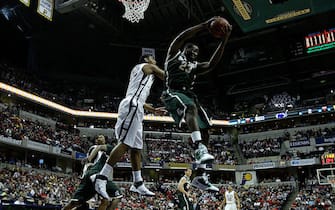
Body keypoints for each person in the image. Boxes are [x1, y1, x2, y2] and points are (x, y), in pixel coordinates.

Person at [161, 17, 232, 191]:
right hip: (172, 92)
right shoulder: (174, 55)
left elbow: (211, 64)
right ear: (185, 49)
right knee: (190, 108)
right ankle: (199, 148)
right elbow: (180, 38)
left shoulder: (194, 65)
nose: (195, 52)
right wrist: (203, 26)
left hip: (189, 94)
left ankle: (200, 176)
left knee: (206, 129)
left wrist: (224, 40)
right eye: (192, 49)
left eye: (197, 51)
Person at [91, 54, 166, 199]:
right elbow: (165, 76)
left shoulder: (143, 74)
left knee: (136, 148)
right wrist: (181, 75)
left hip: (137, 105)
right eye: (153, 58)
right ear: (146, 60)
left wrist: (153, 110)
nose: (155, 61)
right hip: (132, 105)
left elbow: (138, 96)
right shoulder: (147, 67)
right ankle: (101, 177)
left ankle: (137, 182)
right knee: (125, 143)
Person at [62, 136, 122, 210]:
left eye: (102, 137)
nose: (100, 138)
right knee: (115, 197)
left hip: (92, 175)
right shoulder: (105, 148)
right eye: (99, 137)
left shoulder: (110, 153)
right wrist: (89, 158)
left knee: (76, 202)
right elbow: (97, 149)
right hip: (95, 174)